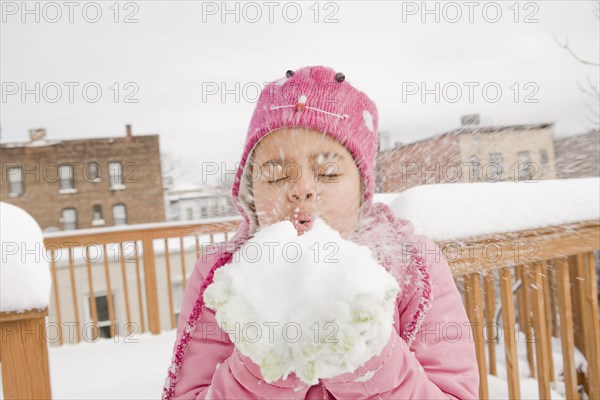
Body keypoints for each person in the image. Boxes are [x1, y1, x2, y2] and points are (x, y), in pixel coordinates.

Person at [162, 65, 480, 400]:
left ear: (361, 190)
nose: (302, 190)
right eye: (275, 176)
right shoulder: (221, 278)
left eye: (327, 173)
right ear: (250, 193)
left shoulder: (414, 267)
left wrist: (365, 355)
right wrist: (266, 362)